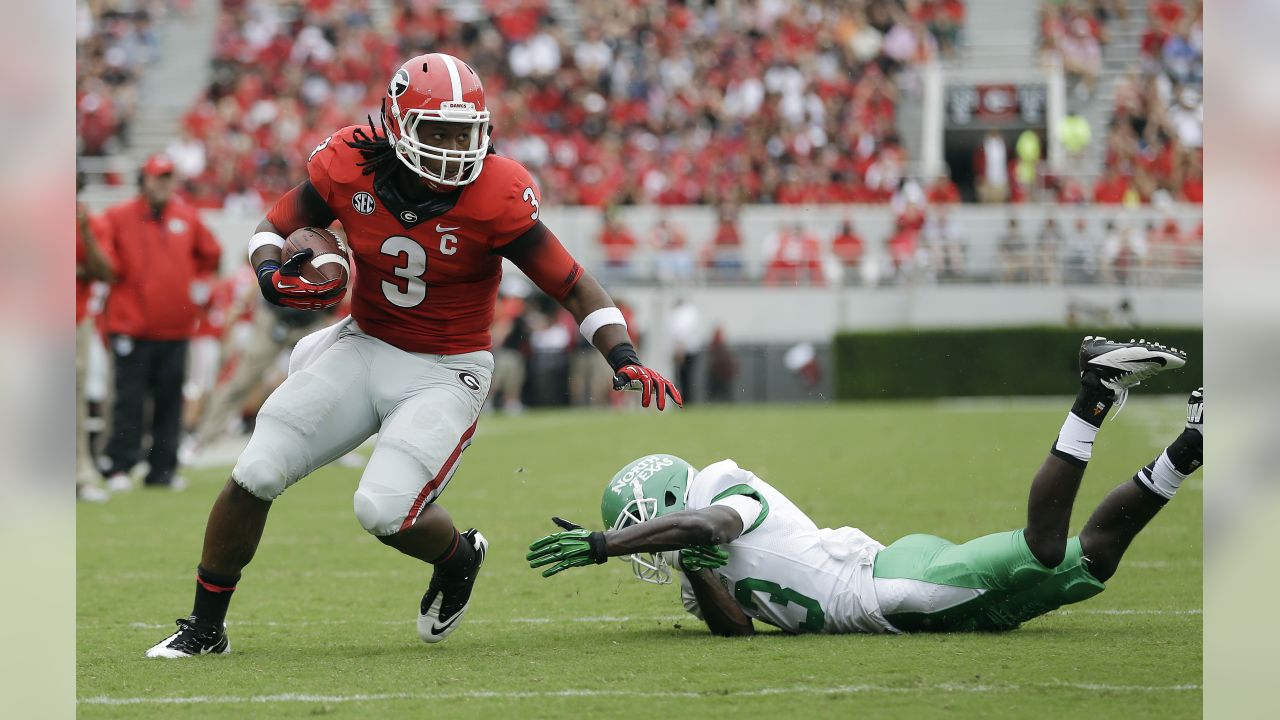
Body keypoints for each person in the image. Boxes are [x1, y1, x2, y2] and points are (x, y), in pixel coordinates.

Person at [145, 53, 683, 658]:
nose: (455, 148)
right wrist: (272, 276)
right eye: (439, 131)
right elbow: (273, 228)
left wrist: (623, 354)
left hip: (446, 369)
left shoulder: (498, 191)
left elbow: (571, 281)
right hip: (364, 344)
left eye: (466, 131)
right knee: (257, 470)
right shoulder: (351, 163)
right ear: (399, 125)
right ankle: (204, 627)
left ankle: (459, 558)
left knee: (383, 509)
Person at [528, 338, 1200, 637]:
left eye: (645, 524)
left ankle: (1094, 389)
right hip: (891, 589)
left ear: (671, 502)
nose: (646, 542)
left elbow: (710, 528)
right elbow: (739, 632)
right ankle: (1192, 445)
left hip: (891, 589)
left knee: (1047, 550)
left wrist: (603, 544)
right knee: (1092, 564)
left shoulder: (722, 490)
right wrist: (703, 581)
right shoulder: (694, 551)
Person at [97, 154, 222, 492]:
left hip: (175, 328)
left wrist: (197, 286)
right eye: (157, 177)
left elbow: (211, 255)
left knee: (169, 401)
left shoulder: (187, 216)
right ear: (145, 180)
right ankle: (119, 465)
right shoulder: (118, 216)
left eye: (168, 177)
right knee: (129, 400)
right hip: (132, 326)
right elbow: (106, 265)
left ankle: (162, 469)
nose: (163, 183)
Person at [76, 175, 117, 503]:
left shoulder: (90, 222)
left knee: (74, 398)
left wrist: (85, 231)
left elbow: (104, 271)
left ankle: (78, 475)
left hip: (75, 317)